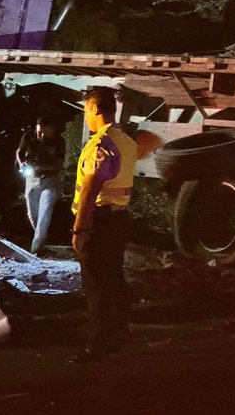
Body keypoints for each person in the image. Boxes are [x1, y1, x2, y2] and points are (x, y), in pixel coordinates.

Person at [70, 87, 137, 364]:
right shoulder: (126, 141)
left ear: (96, 109)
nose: (85, 116)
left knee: (95, 286)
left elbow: (89, 188)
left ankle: (96, 345)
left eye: (86, 110)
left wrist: (79, 229)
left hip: (98, 221)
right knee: (114, 281)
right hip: (118, 220)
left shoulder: (102, 143)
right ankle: (118, 337)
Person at [16, 114, 65, 257]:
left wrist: (41, 168)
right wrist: (21, 164)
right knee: (32, 214)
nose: (42, 135)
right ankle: (43, 240)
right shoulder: (28, 137)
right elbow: (19, 152)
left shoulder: (59, 141)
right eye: (39, 132)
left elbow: (58, 164)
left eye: (45, 132)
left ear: (53, 131)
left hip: (51, 180)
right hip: (32, 179)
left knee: (44, 213)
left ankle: (35, 249)